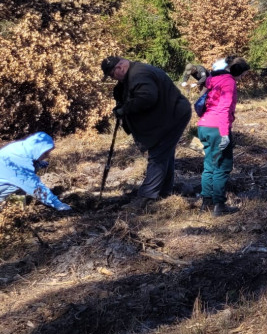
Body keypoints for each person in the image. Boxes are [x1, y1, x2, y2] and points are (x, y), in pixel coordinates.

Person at [101, 56, 191, 210]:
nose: (113, 78)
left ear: (120, 67)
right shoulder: (134, 74)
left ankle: (146, 196)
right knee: (164, 154)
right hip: (168, 116)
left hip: (173, 116)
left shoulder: (139, 74)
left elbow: (147, 97)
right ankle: (164, 192)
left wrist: (125, 109)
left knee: (158, 155)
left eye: (112, 74)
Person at [0, 133, 71, 211]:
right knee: (20, 183)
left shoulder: (21, 148)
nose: (47, 156)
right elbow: (35, 187)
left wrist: (38, 163)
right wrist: (57, 204)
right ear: (37, 150)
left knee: (21, 179)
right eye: (45, 153)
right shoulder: (19, 162)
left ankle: (15, 208)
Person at [196, 59, 238, 216]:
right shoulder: (229, 82)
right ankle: (219, 205)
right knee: (222, 166)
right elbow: (224, 109)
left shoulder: (212, 80)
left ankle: (206, 202)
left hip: (203, 126)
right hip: (216, 128)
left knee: (209, 165)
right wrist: (225, 133)